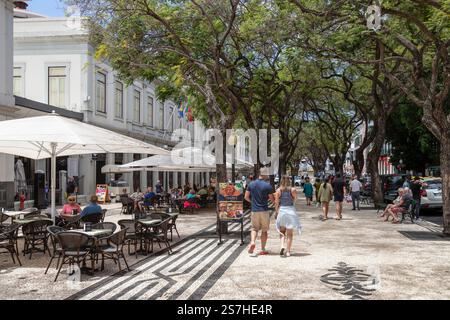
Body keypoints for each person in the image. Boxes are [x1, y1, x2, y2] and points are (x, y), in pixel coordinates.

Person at [244, 167, 274, 257]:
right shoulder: (267, 186)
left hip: (254, 210)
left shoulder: (251, 184)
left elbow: (246, 197)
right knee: (264, 231)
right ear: (265, 175)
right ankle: (263, 249)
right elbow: (272, 199)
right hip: (264, 210)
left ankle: (253, 242)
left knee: (254, 228)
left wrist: (252, 202)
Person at [274, 176, 301, 257]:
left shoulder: (278, 190)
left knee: (282, 231)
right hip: (290, 211)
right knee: (290, 234)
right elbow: (295, 199)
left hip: (282, 211)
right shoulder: (293, 190)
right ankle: (288, 251)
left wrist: (276, 212)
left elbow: (276, 202)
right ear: (289, 180)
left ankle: (282, 245)